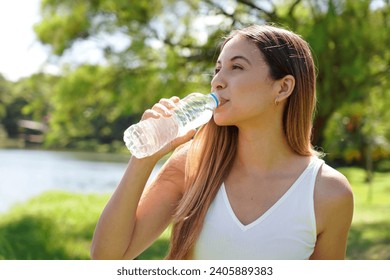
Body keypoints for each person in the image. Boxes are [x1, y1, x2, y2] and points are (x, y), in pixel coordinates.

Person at [90, 24, 354, 260]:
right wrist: (144, 157)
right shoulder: (191, 165)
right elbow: (106, 259)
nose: (217, 81)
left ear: (283, 87)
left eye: (236, 67)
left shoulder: (328, 193)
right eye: (217, 70)